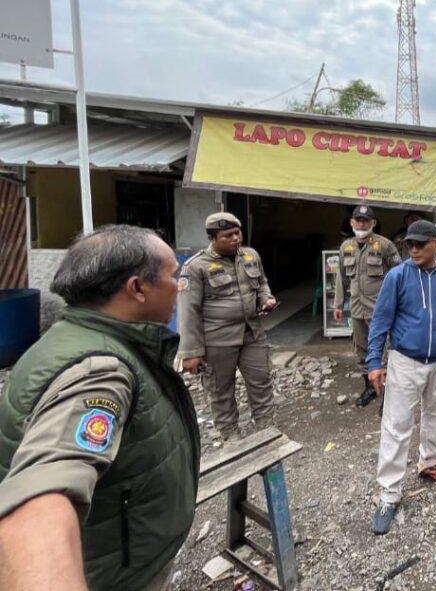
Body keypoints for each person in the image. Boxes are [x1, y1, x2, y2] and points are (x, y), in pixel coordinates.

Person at [0, 225, 200, 591]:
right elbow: (38, 501)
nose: (180, 286)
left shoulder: (74, 338)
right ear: (137, 288)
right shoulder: (99, 370)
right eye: (175, 276)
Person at [367, 219, 436, 535]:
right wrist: (374, 361)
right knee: (397, 426)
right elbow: (379, 321)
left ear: (435, 243)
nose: (412, 249)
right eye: (408, 244)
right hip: (405, 361)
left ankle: (430, 460)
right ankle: (389, 494)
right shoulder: (398, 277)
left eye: (419, 244)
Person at [178, 212, 277, 440]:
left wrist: (266, 298)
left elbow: (261, 282)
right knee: (221, 391)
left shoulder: (250, 256)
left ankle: (267, 429)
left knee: (261, 381)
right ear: (212, 238)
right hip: (217, 341)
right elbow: (188, 311)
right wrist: (191, 353)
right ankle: (230, 436)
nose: (236, 239)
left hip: (252, 334)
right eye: (228, 235)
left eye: (237, 233)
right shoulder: (196, 267)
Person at [332, 205, 402, 407]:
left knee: (384, 351)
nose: (361, 224)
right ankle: (371, 387)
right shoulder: (346, 247)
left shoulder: (385, 246)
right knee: (362, 350)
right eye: (358, 220)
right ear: (352, 223)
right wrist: (338, 303)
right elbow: (341, 277)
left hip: (380, 311)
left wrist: (399, 304)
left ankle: (389, 396)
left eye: (366, 221)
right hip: (357, 310)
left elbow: (400, 275)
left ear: (373, 223)